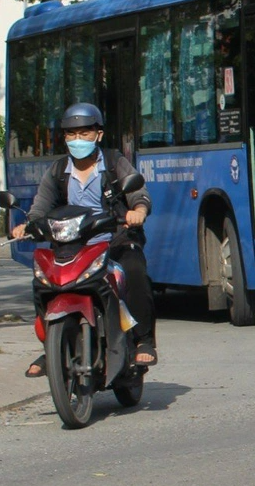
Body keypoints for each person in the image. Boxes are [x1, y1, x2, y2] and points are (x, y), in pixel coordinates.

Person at [15, 103, 156, 375]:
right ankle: (52, 348)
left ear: (98, 135)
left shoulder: (115, 163)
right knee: (42, 282)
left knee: (136, 271)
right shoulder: (57, 172)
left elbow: (139, 195)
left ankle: (143, 340)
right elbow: (39, 209)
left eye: (84, 133)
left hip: (115, 239)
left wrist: (137, 211)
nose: (78, 139)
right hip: (73, 246)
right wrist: (27, 227)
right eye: (71, 134)